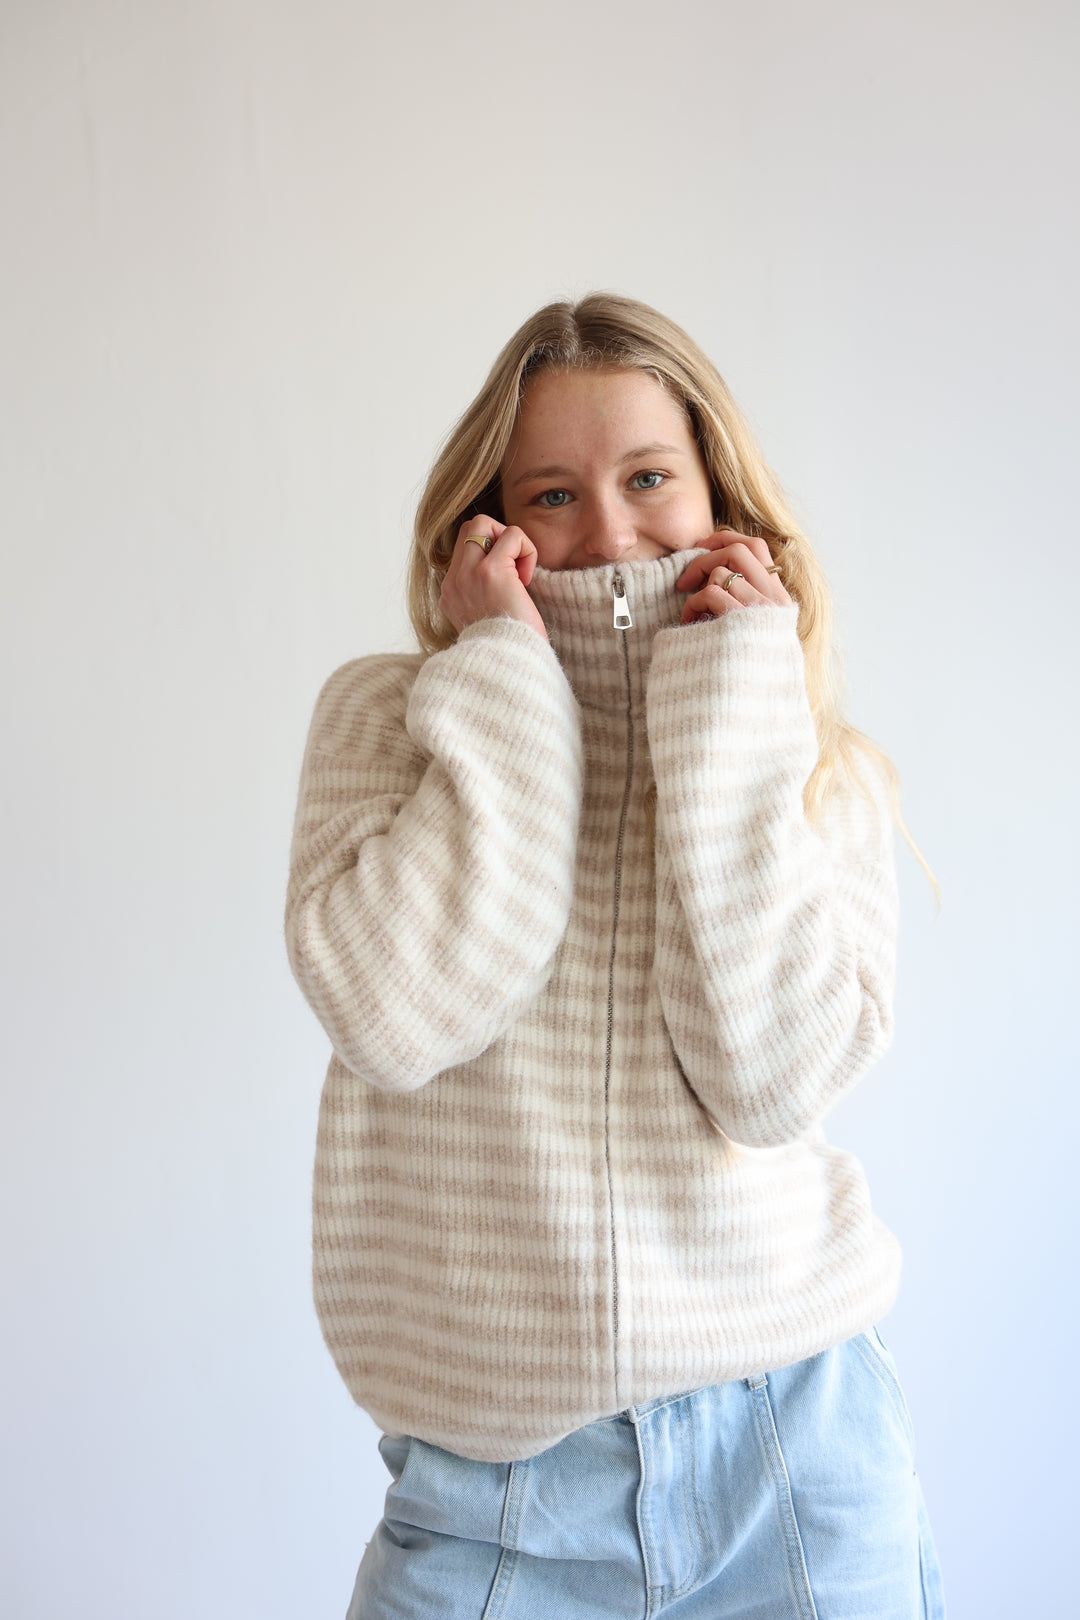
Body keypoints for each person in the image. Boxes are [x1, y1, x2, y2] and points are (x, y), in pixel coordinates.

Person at [284, 293, 946, 1619]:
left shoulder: (809, 758)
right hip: (493, 1489)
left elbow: (771, 1079)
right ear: (491, 523)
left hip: (796, 1455)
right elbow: (399, 1012)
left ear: (717, 494)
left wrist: (732, 719)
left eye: (649, 477)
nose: (610, 529)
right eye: (552, 494)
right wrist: (508, 688)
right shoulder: (392, 721)